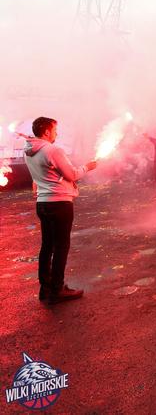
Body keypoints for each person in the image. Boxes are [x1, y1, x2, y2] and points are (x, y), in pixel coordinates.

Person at [23, 117, 97, 304]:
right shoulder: (52, 150)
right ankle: (57, 289)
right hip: (59, 203)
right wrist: (88, 167)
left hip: (43, 203)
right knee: (61, 247)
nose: (57, 133)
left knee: (47, 246)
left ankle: (45, 288)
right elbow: (72, 174)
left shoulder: (29, 152)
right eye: (55, 130)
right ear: (46, 132)